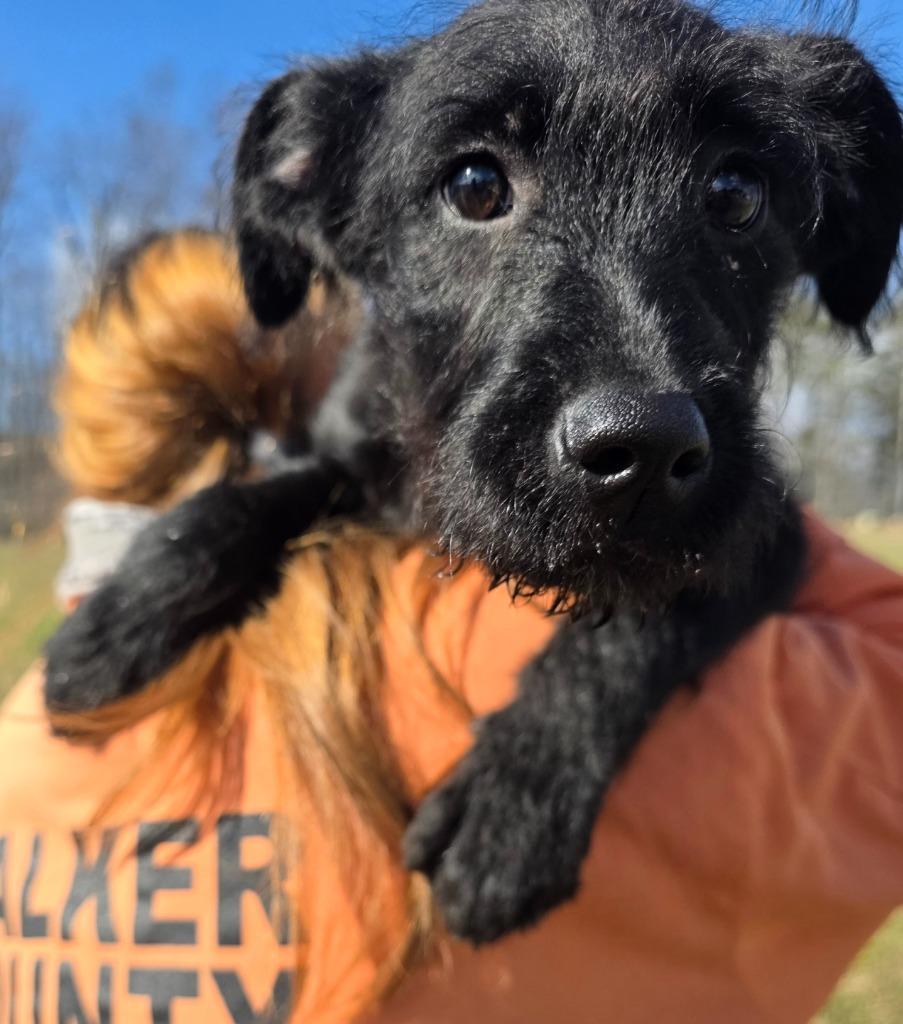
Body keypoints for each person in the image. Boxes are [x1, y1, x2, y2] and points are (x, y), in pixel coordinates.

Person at [2, 228, 903, 1024]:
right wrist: (689, 434)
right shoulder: (514, 647)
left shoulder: (31, 726)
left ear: (89, 440)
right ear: (357, 379)